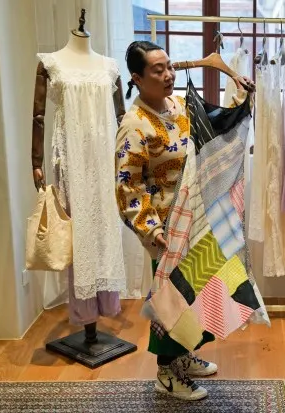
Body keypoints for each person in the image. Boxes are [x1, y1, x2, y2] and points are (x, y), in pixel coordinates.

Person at [114, 40, 255, 401]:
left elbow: (211, 132)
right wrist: (150, 228)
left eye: (169, 67)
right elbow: (127, 185)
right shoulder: (135, 125)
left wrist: (240, 102)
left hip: (195, 215)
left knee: (196, 291)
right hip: (165, 229)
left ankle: (183, 357)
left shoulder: (178, 106)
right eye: (157, 70)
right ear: (138, 78)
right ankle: (166, 371)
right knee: (171, 297)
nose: (168, 75)